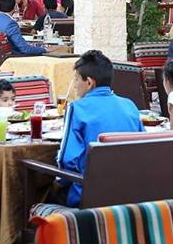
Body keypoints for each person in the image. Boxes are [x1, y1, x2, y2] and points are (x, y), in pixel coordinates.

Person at [55, 50, 144, 207]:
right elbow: (142, 150)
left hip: (88, 197)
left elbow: (66, 160)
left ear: (89, 83)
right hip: (129, 194)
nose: (74, 85)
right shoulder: (130, 105)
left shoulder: (77, 108)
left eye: (76, 79)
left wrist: (57, 182)